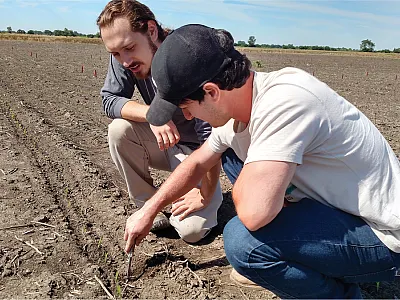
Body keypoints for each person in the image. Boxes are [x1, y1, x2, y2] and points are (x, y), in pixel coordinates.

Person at [124, 24, 400, 298]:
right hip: (338, 210)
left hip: (383, 235)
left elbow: (254, 215)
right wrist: (149, 209)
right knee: (229, 152)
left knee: (245, 244)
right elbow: (197, 162)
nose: (187, 117)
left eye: (185, 107)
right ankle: (317, 263)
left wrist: (252, 174)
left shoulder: (286, 102)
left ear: (211, 92)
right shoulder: (241, 102)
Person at [96, 0, 225, 244]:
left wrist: (205, 194)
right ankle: (147, 204)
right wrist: (152, 115)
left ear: (152, 30)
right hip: (165, 142)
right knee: (119, 130)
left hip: (200, 151)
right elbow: (109, 100)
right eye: (115, 53)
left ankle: (176, 201)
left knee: (192, 231)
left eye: (129, 48)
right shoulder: (124, 58)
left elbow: (211, 137)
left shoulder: (186, 55)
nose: (125, 61)